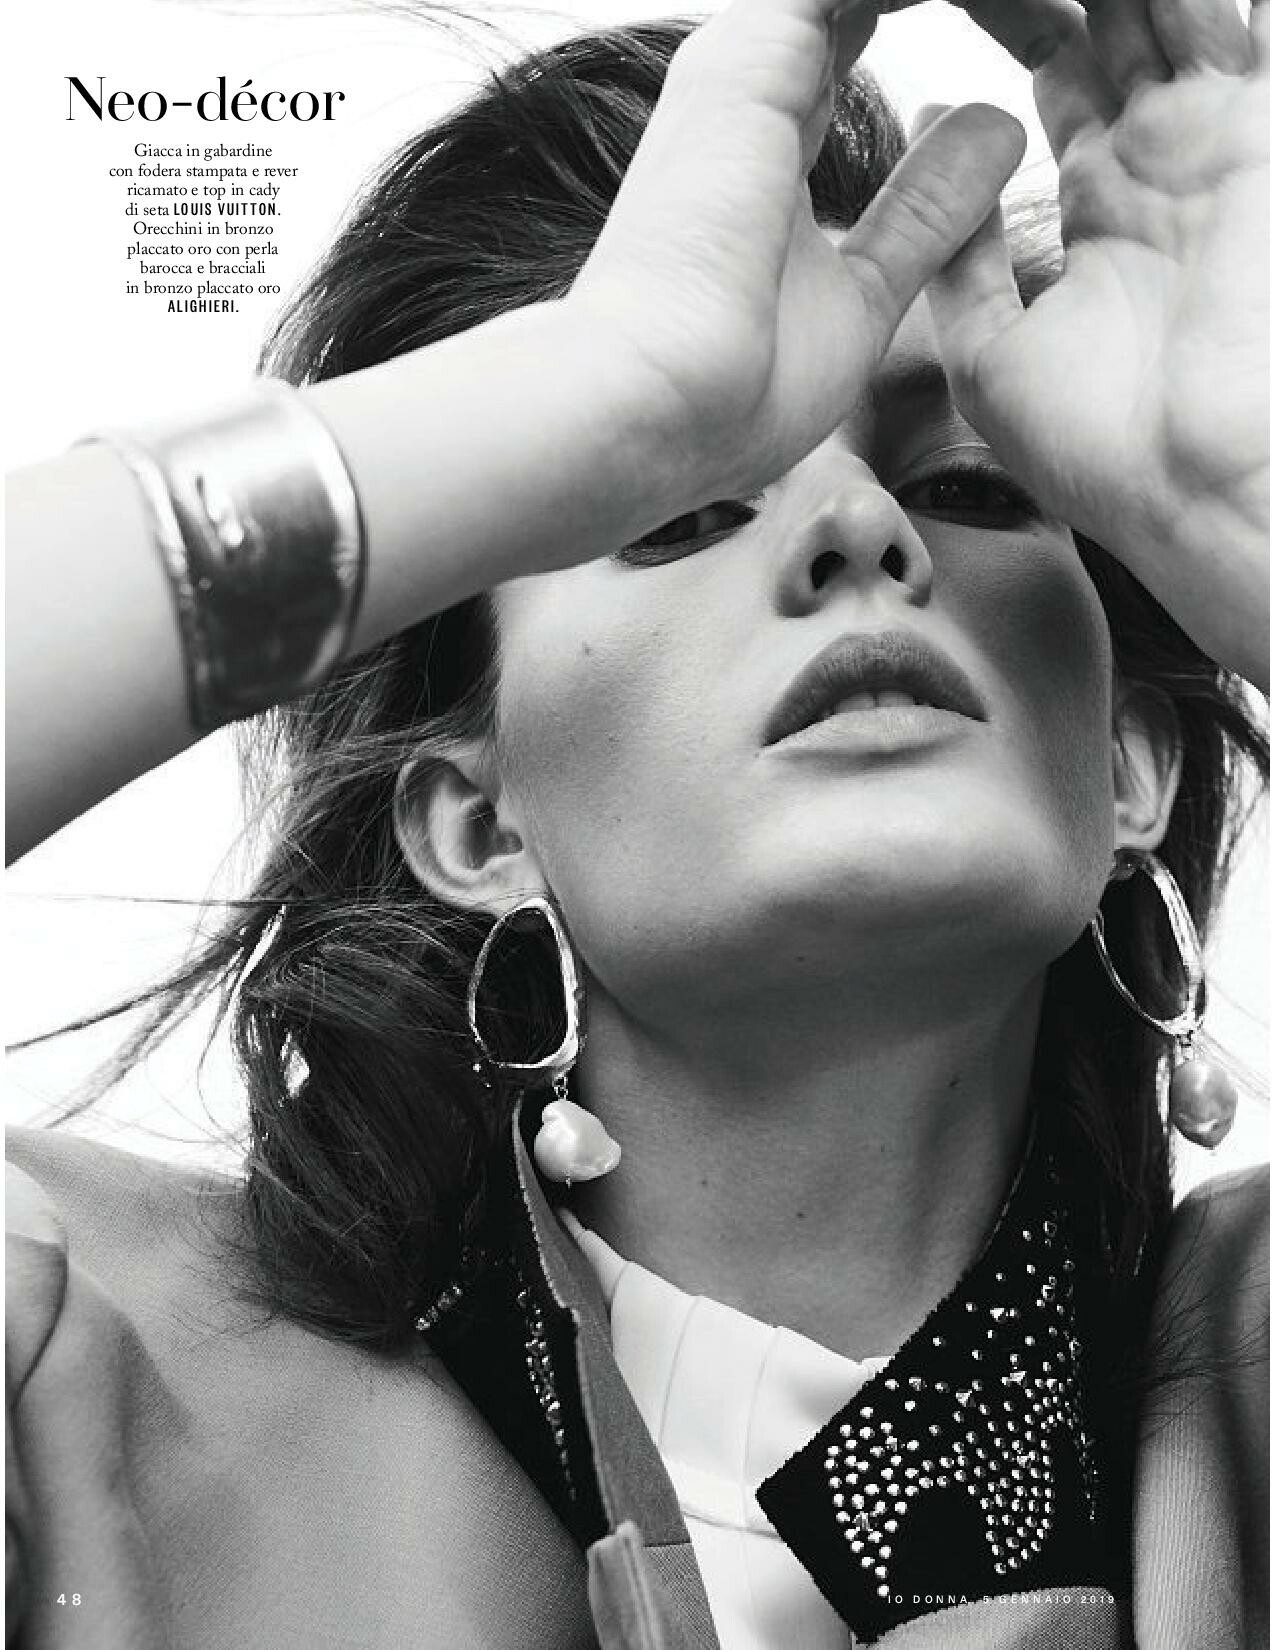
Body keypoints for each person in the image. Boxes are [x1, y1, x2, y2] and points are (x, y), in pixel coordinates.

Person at [5, 0, 1268, 1646]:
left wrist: (1250, 517)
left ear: (1126, 763)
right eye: (676, 509)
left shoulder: (1250, 1393)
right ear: (476, 824)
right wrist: (585, 395)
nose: (857, 526)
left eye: (971, 486)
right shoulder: (87, 1358)